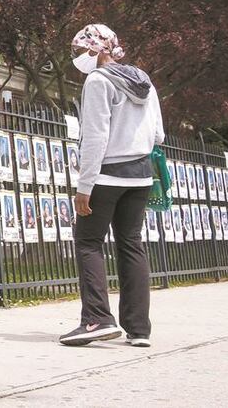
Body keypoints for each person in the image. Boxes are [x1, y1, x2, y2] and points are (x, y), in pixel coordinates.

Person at [59, 24, 164, 348]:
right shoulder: (143, 80)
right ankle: (138, 329)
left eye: (81, 50)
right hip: (141, 174)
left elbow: (95, 135)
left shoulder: (98, 81)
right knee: (131, 244)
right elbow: (159, 135)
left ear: (97, 49)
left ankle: (96, 320)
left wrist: (84, 186)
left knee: (89, 242)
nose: (79, 58)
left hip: (106, 174)